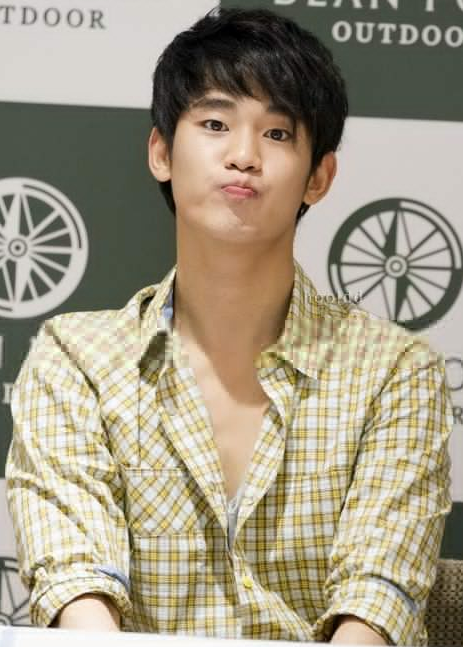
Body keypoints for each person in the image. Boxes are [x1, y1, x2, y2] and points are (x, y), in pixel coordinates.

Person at [6, 6, 453, 645]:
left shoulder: (394, 372)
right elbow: (76, 584)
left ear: (319, 177)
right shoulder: (76, 359)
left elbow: (377, 598)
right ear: (162, 151)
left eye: (277, 133)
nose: (243, 156)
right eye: (215, 124)